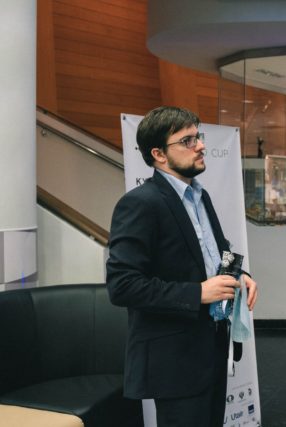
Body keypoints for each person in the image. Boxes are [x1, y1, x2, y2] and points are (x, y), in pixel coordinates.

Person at [106, 106, 257, 427]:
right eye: (188, 141)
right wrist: (198, 293)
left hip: (212, 348)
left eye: (198, 137)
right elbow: (122, 285)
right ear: (159, 154)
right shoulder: (141, 203)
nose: (200, 145)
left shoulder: (201, 197)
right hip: (174, 359)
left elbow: (218, 256)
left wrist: (240, 277)